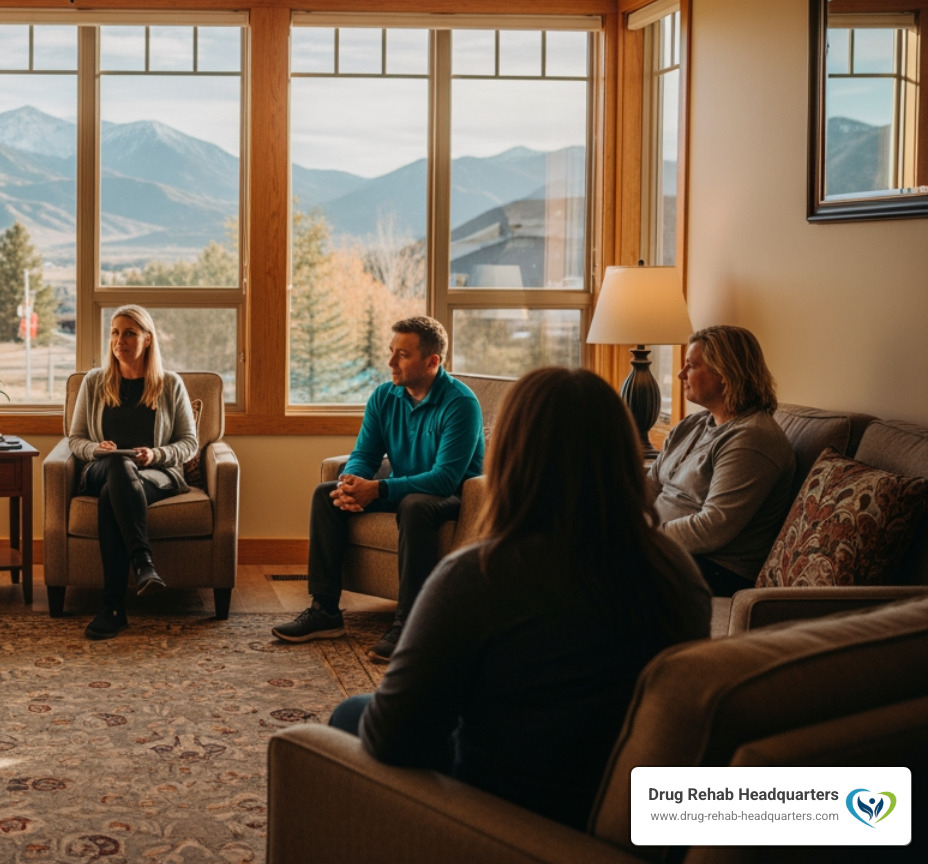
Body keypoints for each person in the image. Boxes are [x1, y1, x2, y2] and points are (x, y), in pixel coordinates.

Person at [327, 368, 710, 830]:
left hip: (507, 820)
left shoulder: (476, 576)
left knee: (353, 712)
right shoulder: (677, 572)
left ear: (512, 456)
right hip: (632, 815)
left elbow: (393, 740)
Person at [273, 316, 484, 663]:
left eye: (402, 355)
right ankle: (325, 611)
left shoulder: (461, 404)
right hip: (402, 487)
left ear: (432, 361)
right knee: (326, 496)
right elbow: (365, 454)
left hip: (452, 496)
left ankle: (409, 625)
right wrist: (350, 484)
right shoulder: (385, 396)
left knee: (415, 506)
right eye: (391, 352)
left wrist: (379, 490)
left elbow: (445, 478)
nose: (390, 363)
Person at [66, 305, 198, 640]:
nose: (119, 340)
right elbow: (75, 439)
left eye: (129, 333)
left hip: (153, 475)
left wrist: (156, 454)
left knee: (115, 491)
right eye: (114, 332)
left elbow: (189, 443)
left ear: (148, 339)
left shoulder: (170, 384)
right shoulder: (94, 382)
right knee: (116, 464)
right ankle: (143, 564)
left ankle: (113, 608)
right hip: (100, 467)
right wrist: (97, 449)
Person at [649, 324, 796, 596]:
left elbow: (713, 526)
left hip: (716, 569)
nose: (681, 374)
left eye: (691, 366)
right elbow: (651, 484)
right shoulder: (692, 424)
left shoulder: (753, 439)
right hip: (665, 547)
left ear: (725, 375)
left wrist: (644, 536)